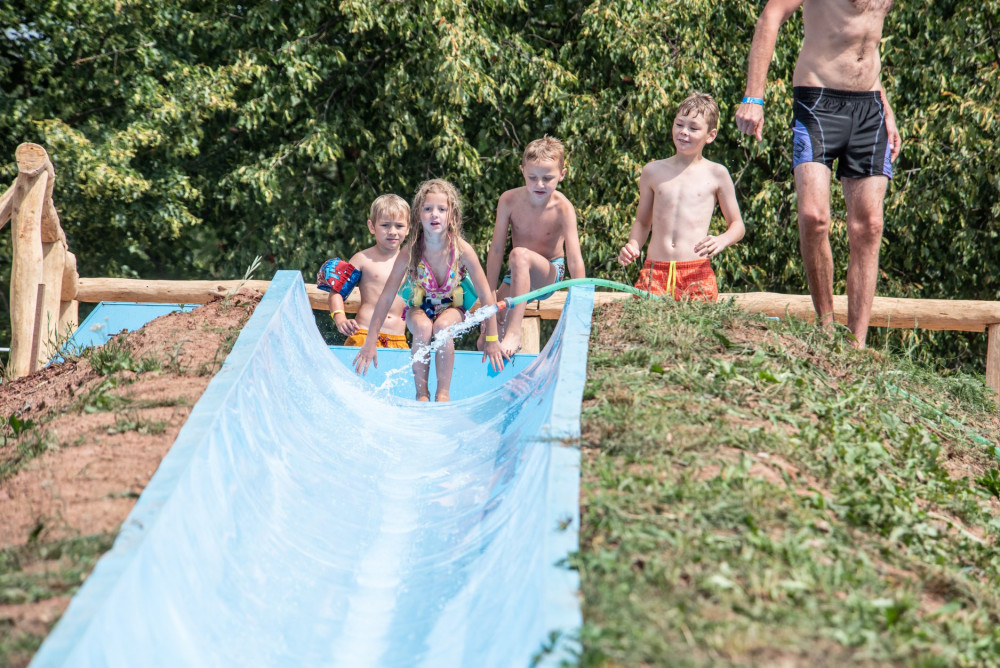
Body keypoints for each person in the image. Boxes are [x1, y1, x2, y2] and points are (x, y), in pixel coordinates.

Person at [735, 0, 901, 347]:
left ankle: (856, 345)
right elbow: (771, 16)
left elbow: (866, 38)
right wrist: (754, 96)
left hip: (869, 105)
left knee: (870, 226)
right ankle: (825, 328)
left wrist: (885, 106)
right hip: (818, 101)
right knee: (814, 217)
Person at [354, 179, 505, 402]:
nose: (435, 214)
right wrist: (370, 341)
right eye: (427, 209)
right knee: (424, 328)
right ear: (418, 215)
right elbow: (386, 297)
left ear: (451, 215)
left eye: (442, 209)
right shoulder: (411, 251)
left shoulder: (462, 250)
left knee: (442, 327)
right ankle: (421, 394)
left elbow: (486, 295)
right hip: (419, 306)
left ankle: (443, 393)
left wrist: (492, 338)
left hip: (452, 307)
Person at [618, 93, 745, 300]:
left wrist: (722, 240)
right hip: (655, 271)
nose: (684, 132)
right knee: (646, 320)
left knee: (697, 321)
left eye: (693, 128)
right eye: (679, 124)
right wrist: (633, 245)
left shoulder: (717, 174)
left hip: (696, 272)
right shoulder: (653, 171)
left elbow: (737, 225)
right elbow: (642, 222)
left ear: (710, 135)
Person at [478, 136, 586, 358]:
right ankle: (506, 373)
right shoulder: (508, 200)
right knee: (487, 338)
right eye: (533, 177)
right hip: (516, 275)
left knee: (519, 255)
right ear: (522, 172)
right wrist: (489, 295)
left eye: (547, 178)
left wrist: (580, 300)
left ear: (562, 174)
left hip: (549, 275)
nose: (539, 184)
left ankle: (514, 332)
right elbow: (496, 249)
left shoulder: (563, 208)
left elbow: (575, 259)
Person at [317, 194, 411, 349]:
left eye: (399, 226)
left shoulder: (412, 263)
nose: (392, 231)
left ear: (408, 228)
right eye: (385, 225)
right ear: (372, 226)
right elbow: (337, 292)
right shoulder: (362, 259)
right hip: (363, 334)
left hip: (398, 340)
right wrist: (340, 319)